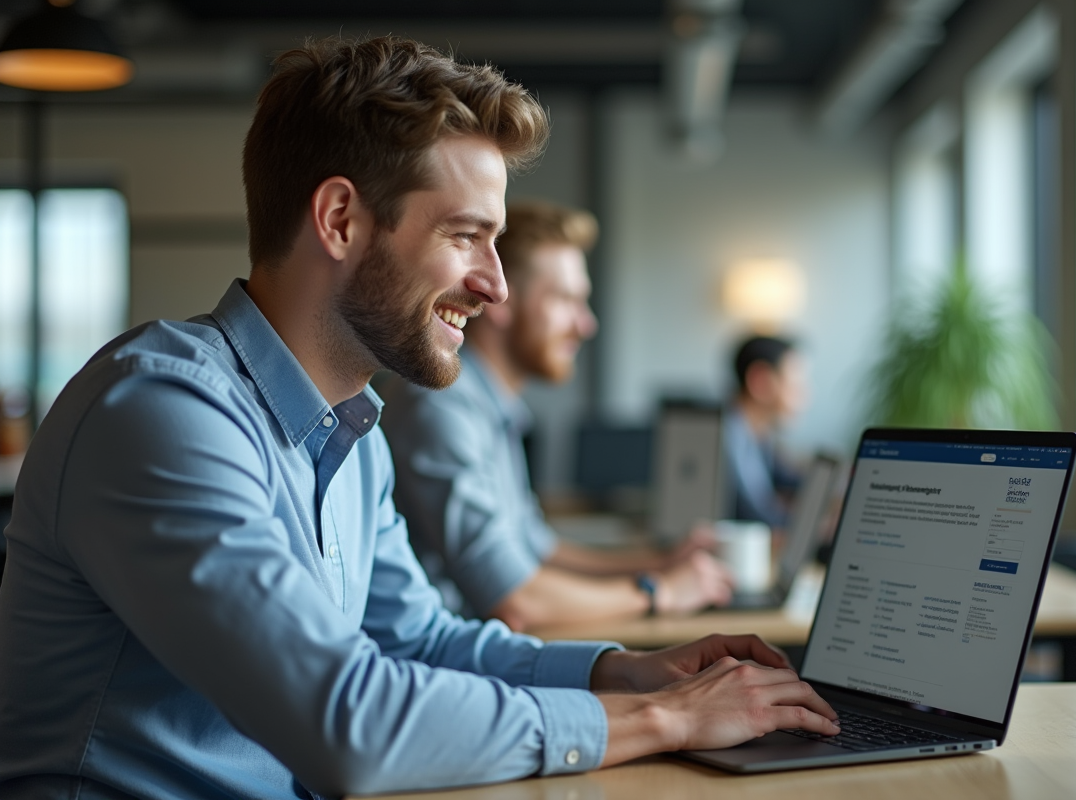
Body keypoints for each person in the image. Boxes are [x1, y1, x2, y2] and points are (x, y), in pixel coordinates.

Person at [0, 38, 839, 799]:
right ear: (339, 221)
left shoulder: (352, 432)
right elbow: (346, 724)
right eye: (466, 237)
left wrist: (628, 673)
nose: (496, 286)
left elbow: (421, 642)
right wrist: (671, 720)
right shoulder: (160, 412)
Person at [377, 200, 731, 631]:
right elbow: (516, 600)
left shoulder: (492, 408)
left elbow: (537, 549)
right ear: (502, 300)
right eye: (566, 300)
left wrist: (661, 562)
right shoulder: (441, 406)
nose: (586, 325)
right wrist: (660, 590)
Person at [724, 335, 808, 528]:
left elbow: (787, 478)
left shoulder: (757, 434)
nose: (805, 396)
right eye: (796, 384)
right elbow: (757, 518)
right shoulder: (728, 437)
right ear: (760, 381)